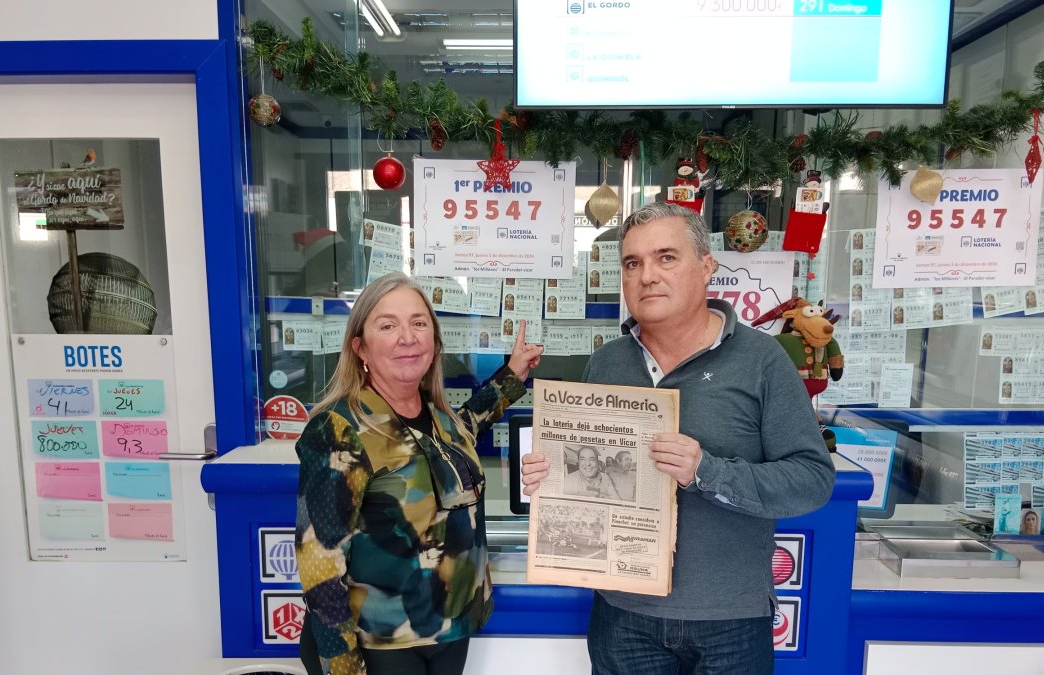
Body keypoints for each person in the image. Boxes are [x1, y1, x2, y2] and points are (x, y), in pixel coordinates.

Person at [521, 202, 834, 675]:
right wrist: (550, 477)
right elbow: (588, 476)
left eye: (666, 257)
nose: (648, 276)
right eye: (633, 263)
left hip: (730, 619)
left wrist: (707, 471)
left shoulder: (762, 360)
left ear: (706, 266)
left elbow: (812, 480)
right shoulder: (606, 365)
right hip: (622, 614)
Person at [295, 272, 543, 675]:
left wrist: (511, 377)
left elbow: (460, 432)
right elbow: (319, 564)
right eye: (387, 325)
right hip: (384, 643)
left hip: (450, 628)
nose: (407, 337)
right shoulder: (340, 429)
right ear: (360, 346)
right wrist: (341, 666)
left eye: (419, 323)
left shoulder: (436, 415)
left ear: (434, 340)